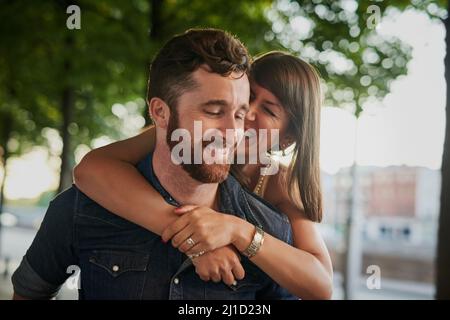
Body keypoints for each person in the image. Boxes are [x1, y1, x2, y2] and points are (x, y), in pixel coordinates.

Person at [11, 28, 298, 300]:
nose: (232, 132)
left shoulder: (270, 231)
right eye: (213, 111)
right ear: (160, 112)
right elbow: (29, 293)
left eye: (239, 115)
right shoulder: (80, 209)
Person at [73, 51, 333, 298]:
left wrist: (237, 231)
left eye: (269, 110)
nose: (246, 113)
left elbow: (320, 283)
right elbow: (90, 169)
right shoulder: (188, 134)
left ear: (286, 139)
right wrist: (194, 239)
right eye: (249, 95)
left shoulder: (280, 182)